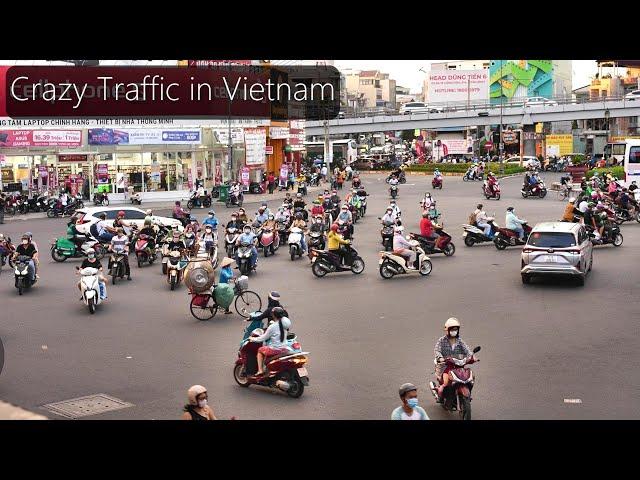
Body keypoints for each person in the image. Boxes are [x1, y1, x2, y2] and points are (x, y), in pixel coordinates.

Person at [433, 317, 476, 402]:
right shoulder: (442, 340)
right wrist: (440, 358)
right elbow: (437, 350)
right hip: (446, 366)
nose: (454, 331)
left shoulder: (460, 341)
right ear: (447, 330)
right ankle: (440, 394)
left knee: (470, 379)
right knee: (446, 382)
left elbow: (467, 350)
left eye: (456, 329)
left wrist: (472, 357)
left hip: (459, 365)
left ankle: (466, 394)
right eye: (452, 329)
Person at [249, 307, 292, 377]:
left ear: (273, 315)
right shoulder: (286, 323)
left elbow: (263, 338)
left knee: (260, 350)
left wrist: (253, 339)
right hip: (285, 348)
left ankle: (260, 370)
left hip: (275, 349)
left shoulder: (273, 326)